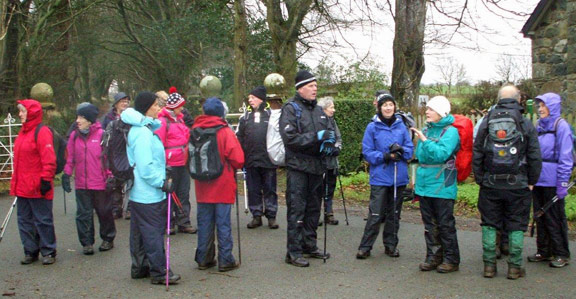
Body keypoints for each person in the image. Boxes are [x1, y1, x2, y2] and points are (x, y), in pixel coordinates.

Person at [473, 85, 542, 279]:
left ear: (498, 99)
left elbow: (477, 151)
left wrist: (480, 178)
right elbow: (535, 155)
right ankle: (514, 267)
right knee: (517, 224)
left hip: (490, 183)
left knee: (489, 223)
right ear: (519, 99)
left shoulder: (487, 121)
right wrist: (532, 180)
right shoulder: (524, 122)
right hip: (518, 184)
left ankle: (489, 266)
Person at [121, 92, 180, 285]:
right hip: (149, 193)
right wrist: (161, 182)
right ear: (146, 108)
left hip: (140, 193)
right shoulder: (143, 133)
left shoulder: (141, 129)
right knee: (153, 233)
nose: (159, 108)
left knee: (139, 232)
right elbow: (146, 167)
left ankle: (139, 267)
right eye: (155, 105)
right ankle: (160, 271)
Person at [280, 70, 334, 267]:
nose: (315, 89)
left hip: (317, 167)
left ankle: (309, 245)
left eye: (316, 86)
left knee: (313, 208)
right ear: (300, 88)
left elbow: (328, 133)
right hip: (298, 168)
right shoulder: (291, 109)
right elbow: (290, 139)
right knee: (297, 209)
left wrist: (329, 145)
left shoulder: (319, 110)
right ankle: (293, 252)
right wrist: (316, 137)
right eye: (311, 86)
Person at [356, 93, 414, 259]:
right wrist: (385, 156)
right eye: (385, 105)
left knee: (394, 214)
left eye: (391, 104)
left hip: (398, 176)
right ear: (379, 107)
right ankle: (365, 247)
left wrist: (401, 151)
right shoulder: (372, 127)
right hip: (380, 177)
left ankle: (391, 245)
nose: (388, 108)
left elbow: (410, 148)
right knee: (375, 214)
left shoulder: (401, 126)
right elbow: (367, 152)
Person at [193, 97, 245, 272]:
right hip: (222, 184)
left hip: (202, 186)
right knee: (223, 223)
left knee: (204, 222)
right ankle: (225, 259)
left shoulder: (195, 130)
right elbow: (238, 159)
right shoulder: (225, 131)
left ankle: (204, 258)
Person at [411, 96, 461, 273]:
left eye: (431, 109)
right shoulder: (426, 129)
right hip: (425, 183)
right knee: (429, 224)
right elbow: (421, 156)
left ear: (441, 112)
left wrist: (424, 140)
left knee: (445, 223)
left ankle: (451, 259)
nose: (427, 112)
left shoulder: (451, 132)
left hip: (442, 184)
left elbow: (441, 154)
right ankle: (433, 256)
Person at [61, 103, 116, 255]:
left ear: (90, 120)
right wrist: (66, 174)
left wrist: (110, 176)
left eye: (81, 117)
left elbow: (108, 158)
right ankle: (87, 243)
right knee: (83, 214)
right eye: (77, 116)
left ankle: (108, 239)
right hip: (81, 183)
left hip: (99, 182)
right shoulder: (74, 136)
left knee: (104, 212)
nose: (77, 120)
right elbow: (71, 157)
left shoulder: (102, 135)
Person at [10, 99, 57, 265]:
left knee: (42, 220)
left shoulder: (42, 132)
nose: (20, 114)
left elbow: (49, 158)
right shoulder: (23, 132)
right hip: (22, 186)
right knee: (24, 220)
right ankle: (30, 250)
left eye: (22, 111)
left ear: (31, 113)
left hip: (38, 185)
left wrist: (45, 179)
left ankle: (48, 250)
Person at [528, 92, 572, 268]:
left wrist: (562, 182)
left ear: (552, 107)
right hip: (539, 179)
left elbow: (566, 157)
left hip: (553, 181)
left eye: (544, 106)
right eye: (539, 106)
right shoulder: (539, 126)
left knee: (555, 218)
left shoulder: (561, 127)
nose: (540, 109)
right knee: (540, 216)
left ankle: (561, 252)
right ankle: (544, 250)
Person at [236, 86, 279, 229]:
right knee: (253, 189)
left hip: (268, 160)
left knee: (270, 188)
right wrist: (241, 155)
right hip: (251, 160)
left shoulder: (271, 115)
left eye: (253, 97)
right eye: (249, 98)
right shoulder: (245, 117)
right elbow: (239, 137)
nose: (250, 100)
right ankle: (256, 215)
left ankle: (271, 216)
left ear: (261, 98)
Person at [155, 89, 196, 235]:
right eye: (180, 105)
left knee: (184, 193)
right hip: (170, 164)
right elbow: (158, 143)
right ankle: (169, 223)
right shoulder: (162, 121)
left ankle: (184, 222)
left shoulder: (180, 119)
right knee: (169, 195)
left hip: (183, 162)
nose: (182, 108)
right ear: (174, 106)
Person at [102, 91, 131, 219]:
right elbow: (103, 136)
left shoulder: (132, 117)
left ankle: (130, 208)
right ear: (116, 104)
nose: (124, 103)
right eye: (122, 101)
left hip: (128, 151)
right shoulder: (108, 119)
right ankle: (116, 208)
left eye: (126, 101)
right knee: (115, 182)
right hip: (114, 151)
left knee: (131, 181)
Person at [317, 97, 342, 226]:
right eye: (331, 107)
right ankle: (315, 215)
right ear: (324, 109)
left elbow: (338, 138)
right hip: (319, 162)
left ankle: (329, 213)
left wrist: (337, 148)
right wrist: (324, 149)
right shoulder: (317, 122)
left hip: (332, 162)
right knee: (317, 189)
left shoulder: (333, 122)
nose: (334, 110)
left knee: (330, 188)